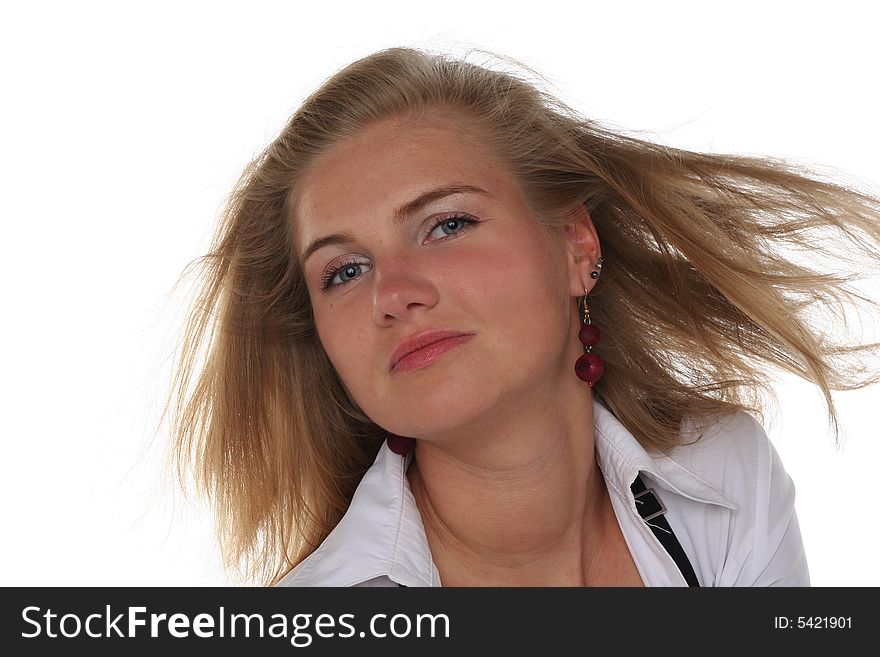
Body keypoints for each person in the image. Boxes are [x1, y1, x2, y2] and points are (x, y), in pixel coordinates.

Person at [168, 47, 880, 587]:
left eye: (445, 224)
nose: (393, 292)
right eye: (344, 272)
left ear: (576, 246)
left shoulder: (725, 477)